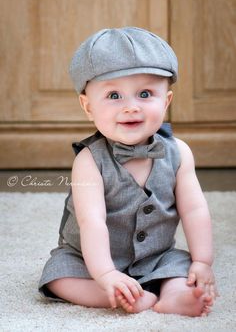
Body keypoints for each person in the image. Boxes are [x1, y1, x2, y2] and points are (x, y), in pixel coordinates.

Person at [39, 27, 218, 316]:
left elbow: (195, 209)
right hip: (89, 258)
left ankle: (176, 295)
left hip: (156, 256)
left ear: (167, 101)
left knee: (179, 266)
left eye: (145, 93)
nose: (131, 107)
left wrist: (202, 261)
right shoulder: (88, 160)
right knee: (59, 276)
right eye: (113, 96)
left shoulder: (179, 152)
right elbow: (91, 222)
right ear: (88, 107)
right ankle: (119, 293)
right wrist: (106, 273)